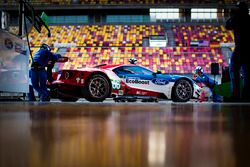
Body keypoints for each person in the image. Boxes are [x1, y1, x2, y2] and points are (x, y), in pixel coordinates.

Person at [225, 1, 250, 102]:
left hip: (240, 48)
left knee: (233, 70)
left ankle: (235, 95)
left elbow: (227, 26)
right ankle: (246, 96)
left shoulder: (237, 18)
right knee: (247, 73)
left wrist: (233, 15)